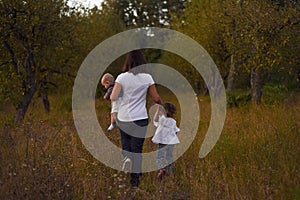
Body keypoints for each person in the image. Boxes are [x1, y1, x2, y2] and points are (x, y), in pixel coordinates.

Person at [110, 50, 162, 187]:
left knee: (125, 142)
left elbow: (113, 97)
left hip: (123, 117)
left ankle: (127, 158)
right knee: (137, 149)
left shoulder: (121, 77)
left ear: (128, 62)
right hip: (140, 118)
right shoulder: (147, 78)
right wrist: (161, 105)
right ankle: (135, 182)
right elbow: (155, 97)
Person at [152, 102, 180, 180]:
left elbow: (155, 119)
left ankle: (161, 169)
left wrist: (157, 109)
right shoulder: (173, 121)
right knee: (169, 157)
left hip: (162, 142)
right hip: (171, 142)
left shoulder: (162, 119)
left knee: (159, 157)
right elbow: (176, 131)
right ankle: (171, 172)